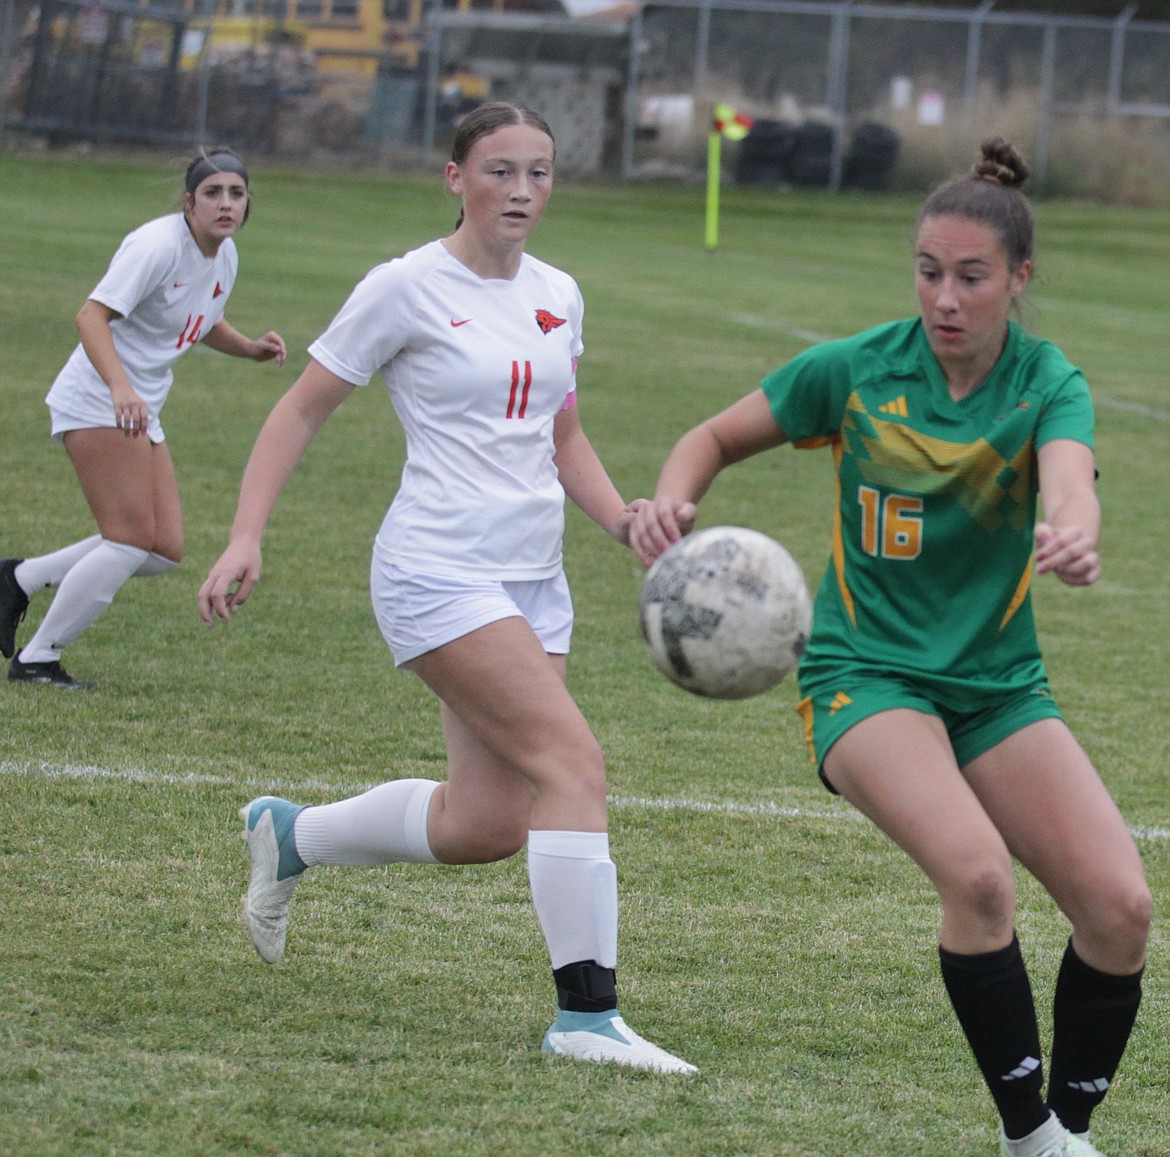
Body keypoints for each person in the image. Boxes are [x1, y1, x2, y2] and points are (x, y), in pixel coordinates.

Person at [629, 138, 1149, 1152]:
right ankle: (1032, 1135)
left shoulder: (1049, 383)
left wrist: (1076, 526)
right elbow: (713, 435)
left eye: (970, 276)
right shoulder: (860, 369)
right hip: (865, 676)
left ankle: (1062, 1134)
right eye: (927, 270)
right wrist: (675, 492)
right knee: (979, 876)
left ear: (1018, 279)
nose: (944, 297)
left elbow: (1072, 473)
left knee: (1121, 906)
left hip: (998, 686)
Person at [196, 103, 696, 1075]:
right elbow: (301, 410)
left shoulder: (559, 291)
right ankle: (587, 1017)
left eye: (539, 173)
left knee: (487, 823)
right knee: (573, 761)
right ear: (454, 176)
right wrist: (245, 534)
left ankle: (293, 833)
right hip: (436, 567)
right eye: (500, 170)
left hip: (532, 578)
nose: (521, 191)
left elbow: (563, 436)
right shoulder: (405, 287)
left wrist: (624, 520)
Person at [0, 147, 287, 689]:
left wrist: (248, 348)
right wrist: (119, 387)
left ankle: (21, 577)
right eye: (212, 193)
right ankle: (38, 658)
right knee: (129, 540)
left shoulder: (223, 255)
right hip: (98, 399)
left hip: (138, 405)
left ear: (248, 204)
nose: (225, 204)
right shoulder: (157, 246)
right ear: (189, 201)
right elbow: (91, 315)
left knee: (162, 550)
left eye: (236, 194)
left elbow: (200, 321)